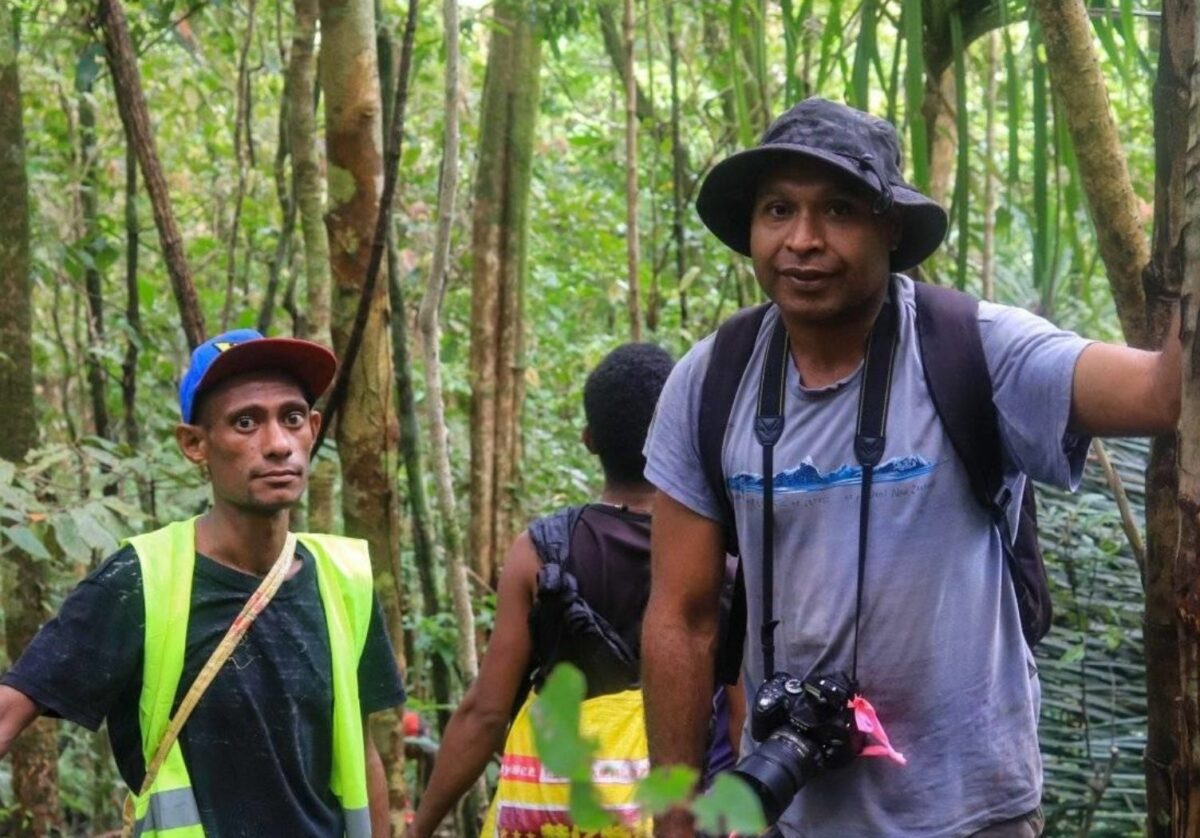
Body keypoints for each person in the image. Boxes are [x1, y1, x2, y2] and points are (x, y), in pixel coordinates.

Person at [640, 98, 1180, 838]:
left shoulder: (974, 349)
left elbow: (1161, 393)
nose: (803, 240)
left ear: (889, 227)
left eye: (837, 209)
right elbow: (683, 617)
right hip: (787, 816)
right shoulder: (711, 383)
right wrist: (673, 816)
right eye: (778, 210)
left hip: (971, 813)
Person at [0, 329, 406, 836]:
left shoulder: (344, 580)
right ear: (195, 444)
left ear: (313, 429)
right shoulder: (140, 581)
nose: (278, 444)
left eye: (293, 418)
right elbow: (11, 708)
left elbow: (363, 756)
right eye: (245, 422)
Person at [410, 343, 740, 837]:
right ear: (683, 433)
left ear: (589, 440)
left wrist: (419, 828)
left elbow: (485, 713)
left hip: (549, 814)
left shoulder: (539, 553)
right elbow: (743, 720)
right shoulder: (720, 559)